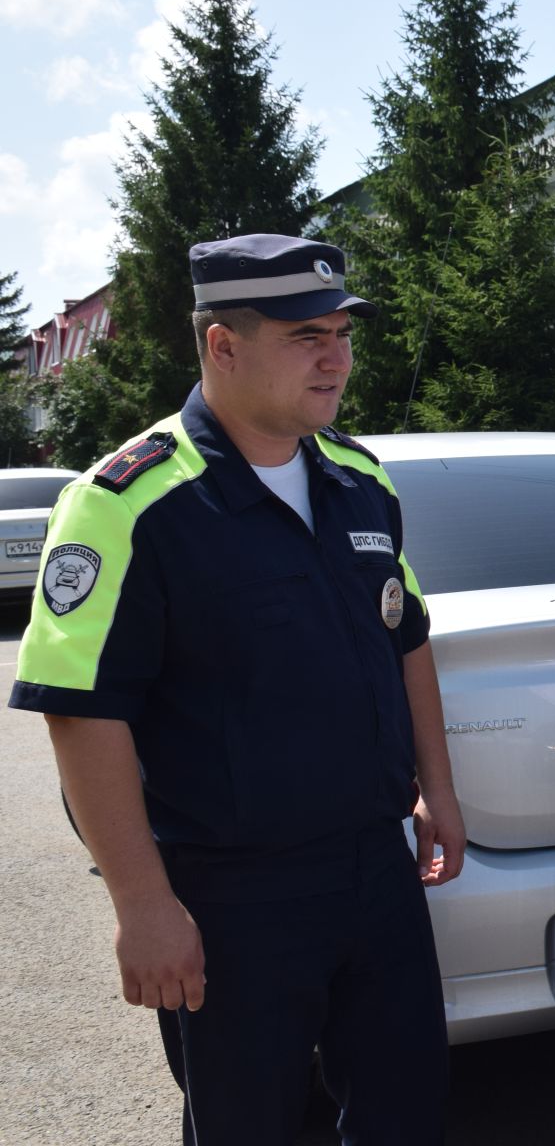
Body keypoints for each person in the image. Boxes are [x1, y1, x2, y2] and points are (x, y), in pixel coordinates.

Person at [10, 234, 464, 1144]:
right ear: (222, 345)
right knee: (248, 1125)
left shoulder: (360, 481)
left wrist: (440, 795)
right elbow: (81, 704)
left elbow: (405, 639)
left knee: (406, 1111)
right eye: (306, 336)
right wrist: (142, 903)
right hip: (231, 892)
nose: (336, 356)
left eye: (342, 332)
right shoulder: (127, 502)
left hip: (375, 867)